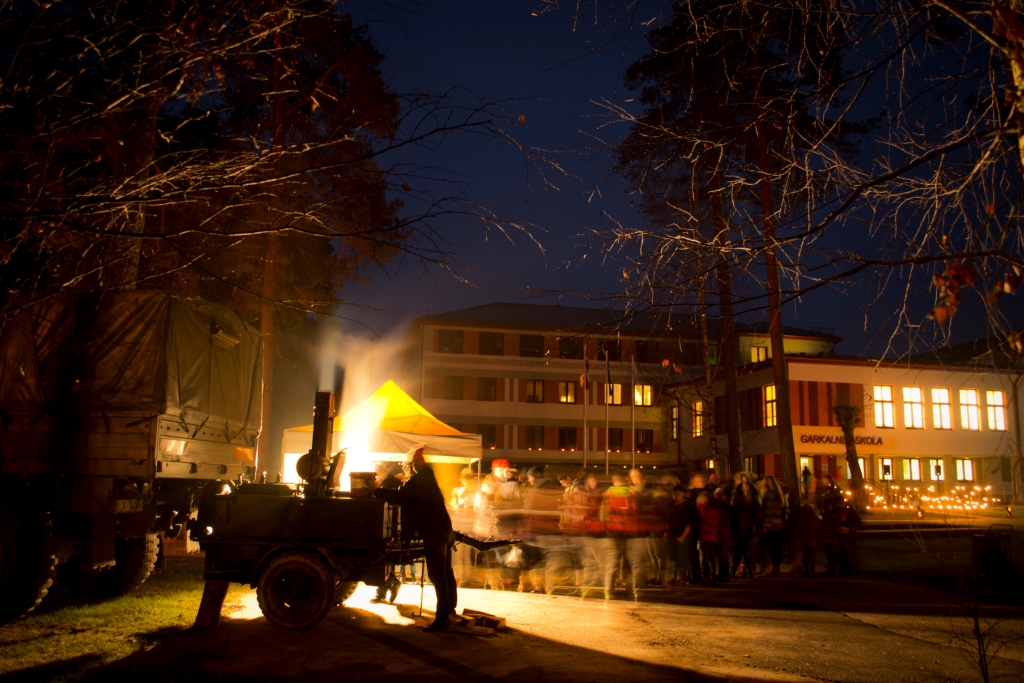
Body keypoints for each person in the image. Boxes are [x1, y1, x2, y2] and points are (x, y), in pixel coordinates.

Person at [374, 447, 457, 631]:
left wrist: (377, 491)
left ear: (412, 466)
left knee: (437, 574)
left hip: (434, 532)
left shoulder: (418, 480)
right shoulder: (427, 477)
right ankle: (450, 609)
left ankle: (442, 618)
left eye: (405, 466)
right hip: (444, 530)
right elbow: (405, 492)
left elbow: (401, 496)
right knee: (445, 571)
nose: (404, 469)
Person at [758, 475, 786, 577]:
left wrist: (765, 524)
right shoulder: (778, 495)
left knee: (772, 547)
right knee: (777, 547)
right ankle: (776, 567)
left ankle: (774, 568)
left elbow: (768, 511)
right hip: (778, 524)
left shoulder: (768, 495)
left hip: (771, 524)